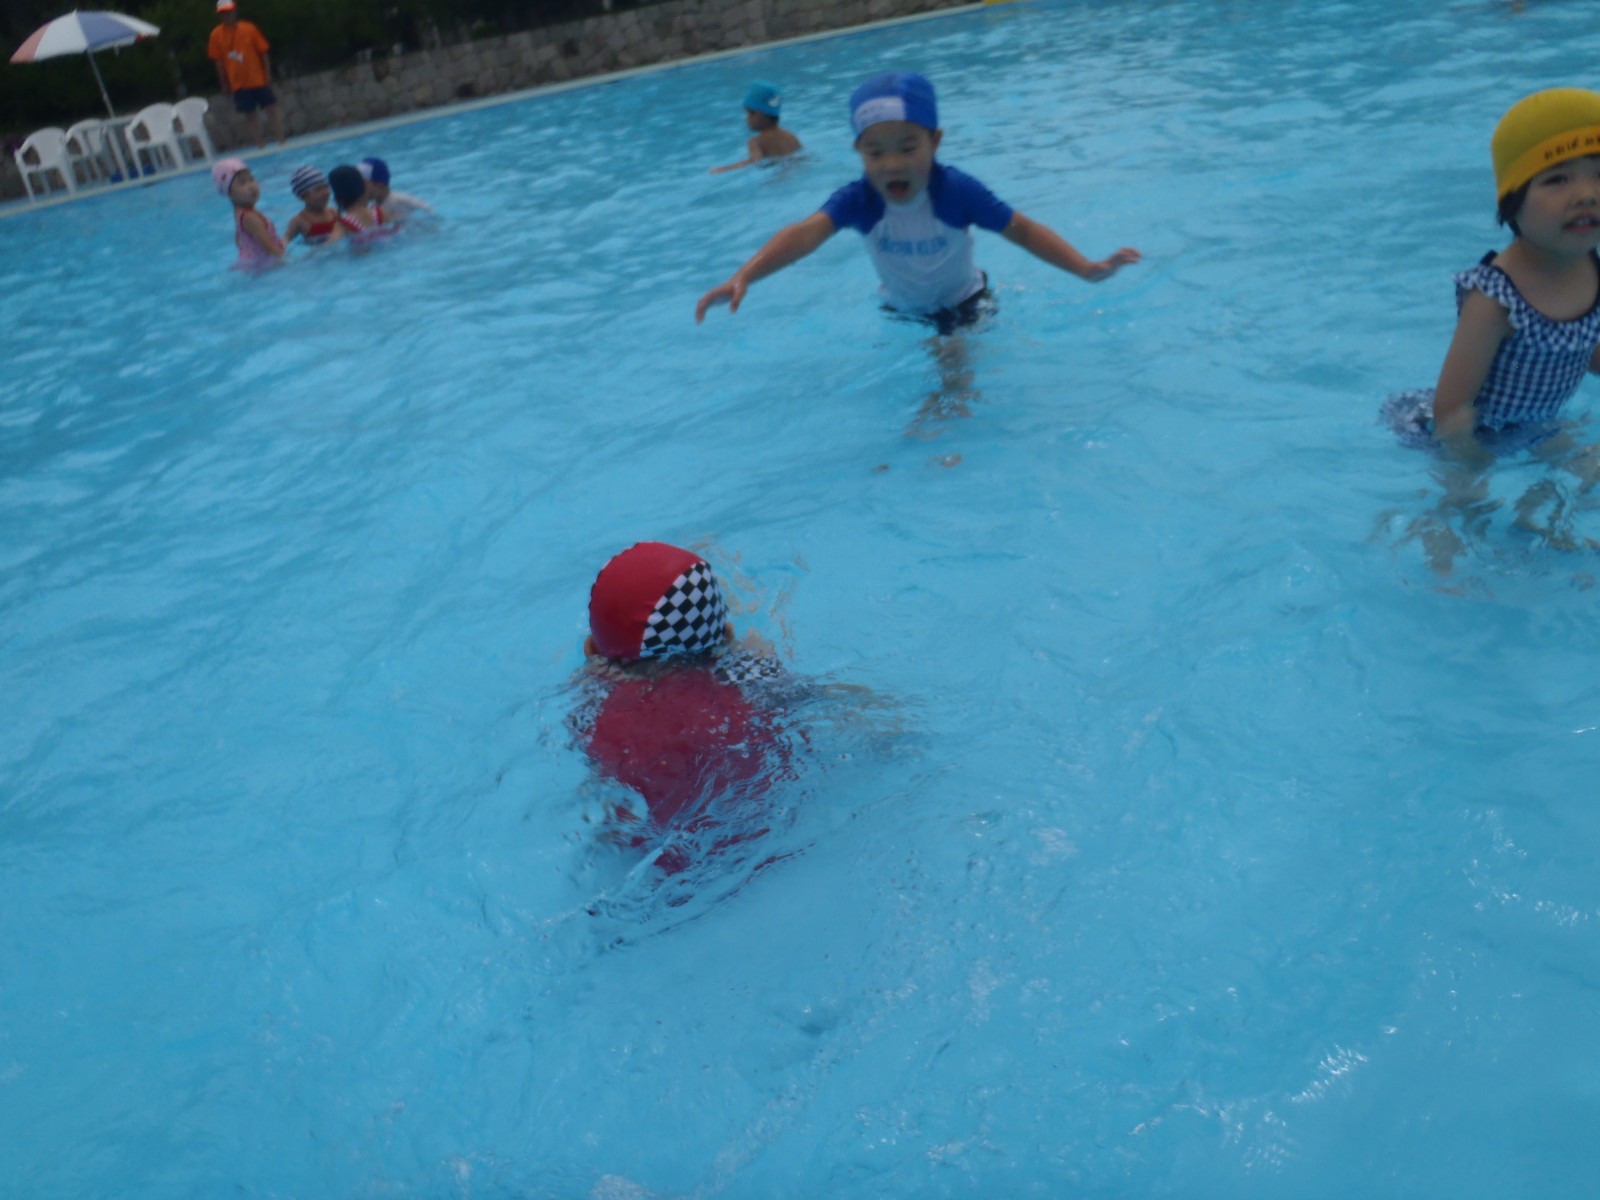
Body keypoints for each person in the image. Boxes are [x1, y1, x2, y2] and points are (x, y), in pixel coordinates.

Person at [695, 72, 1141, 332]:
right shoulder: (860, 200)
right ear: (858, 152)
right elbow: (803, 235)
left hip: (965, 302)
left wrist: (1086, 268)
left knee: (952, 363)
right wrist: (744, 275)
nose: (892, 164)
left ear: (935, 142)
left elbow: (1022, 230)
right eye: (875, 153)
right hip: (901, 310)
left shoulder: (957, 191)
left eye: (907, 148)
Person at [1381, 89, 1600, 574]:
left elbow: (1586, 349)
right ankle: (1431, 542)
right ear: (1512, 203)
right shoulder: (1496, 298)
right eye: (1558, 179)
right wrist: (1470, 463)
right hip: (1474, 431)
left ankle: (1537, 519)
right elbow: (1452, 407)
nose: (1587, 194)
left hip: (1539, 422)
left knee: (1592, 466)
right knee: (1467, 507)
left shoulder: (1590, 267)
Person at [569, 542, 797, 876]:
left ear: (592, 651)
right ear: (726, 634)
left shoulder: (591, 713)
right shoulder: (751, 678)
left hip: (659, 859)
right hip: (773, 827)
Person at [207, 0, 284, 149]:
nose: (226, 15)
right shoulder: (216, 35)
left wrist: (267, 74)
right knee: (250, 114)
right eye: (223, 13)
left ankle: (281, 140)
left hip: (258, 79)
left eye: (228, 12)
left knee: (271, 109)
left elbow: (263, 53)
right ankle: (260, 144)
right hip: (238, 83)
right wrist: (224, 83)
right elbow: (218, 62)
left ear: (235, 11)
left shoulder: (249, 28)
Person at [708, 81, 802, 174]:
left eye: (748, 114)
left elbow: (754, 162)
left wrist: (723, 169)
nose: (747, 119)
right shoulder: (791, 136)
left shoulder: (755, 142)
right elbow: (800, 157)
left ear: (758, 114)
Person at [212, 156, 283, 267]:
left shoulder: (240, 214)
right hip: (261, 267)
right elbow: (269, 249)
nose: (251, 186)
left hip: (252, 265)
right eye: (243, 183)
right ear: (229, 193)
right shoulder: (249, 217)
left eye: (252, 179)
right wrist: (287, 260)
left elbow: (239, 240)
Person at [283, 166, 345, 245]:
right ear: (303, 197)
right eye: (318, 189)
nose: (324, 192)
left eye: (326, 186)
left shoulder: (334, 213)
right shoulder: (299, 221)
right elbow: (286, 240)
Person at [357, 157, 432, 222]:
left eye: (362, 183)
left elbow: (429, 212)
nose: (358, 187)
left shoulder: (402, 200)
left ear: (379, 185)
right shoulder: (372, 207)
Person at [328, 164, 386, 233]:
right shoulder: (381, 213)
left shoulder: (343, 226)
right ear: (364, 187)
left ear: (337, 198)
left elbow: (332, 240)